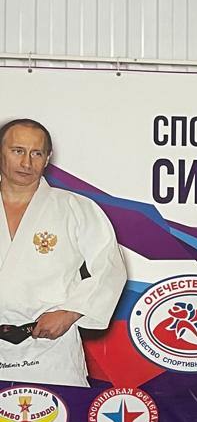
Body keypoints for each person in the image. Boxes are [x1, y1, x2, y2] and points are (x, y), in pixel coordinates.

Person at [0, 117, 125, 387]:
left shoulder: (74, 207)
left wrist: (70, 313)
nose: (26, 163)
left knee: (57, 413)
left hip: (49, 349)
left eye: (36, 153)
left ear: (47, 158)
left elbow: (109, 267)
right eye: (17, 151)